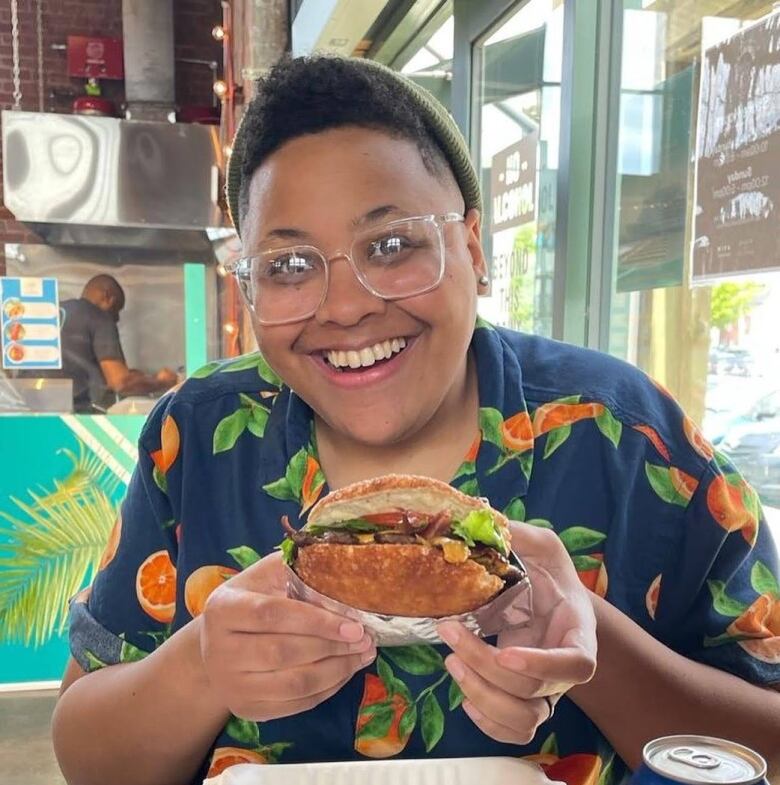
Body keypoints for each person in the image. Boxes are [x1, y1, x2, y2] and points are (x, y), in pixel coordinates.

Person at [52, 56, 780, 785]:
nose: (343, 307)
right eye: (289, 265)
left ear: (472, 249)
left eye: (392, 246)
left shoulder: (626, 436)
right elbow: (85, 755)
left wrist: (594, 647)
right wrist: (200, 670)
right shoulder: (199, 438)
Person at [42, 275, 177, 412]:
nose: (116, 319)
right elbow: (120, 382)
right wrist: (161, 382)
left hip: (32, 408)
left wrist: (135, 376)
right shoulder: (98, 316)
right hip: (76, 415)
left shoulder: (52, 313)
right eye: (117, 309)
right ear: (107, 297)